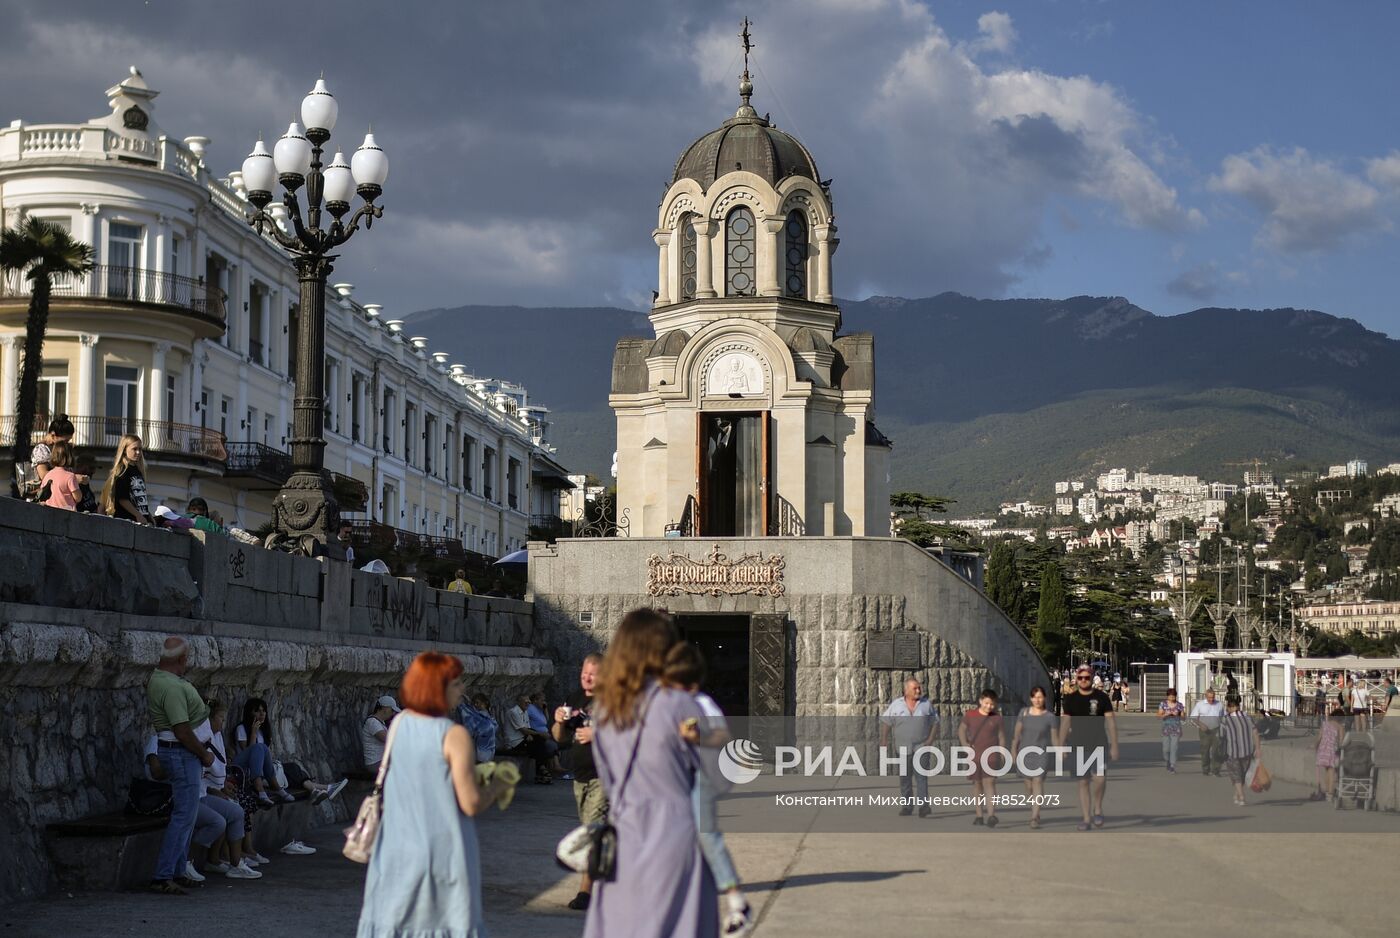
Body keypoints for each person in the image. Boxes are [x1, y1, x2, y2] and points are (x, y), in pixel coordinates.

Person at [355, 652, 510, 938]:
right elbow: (470, 802)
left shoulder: (399, 724)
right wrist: (498, 784)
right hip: (440, 847)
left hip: (397, 844)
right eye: (456, 684)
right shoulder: (453, 735)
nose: (462, 690)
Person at [585, 608, 715, 938]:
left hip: (623, 831)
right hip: (672, 829)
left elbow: (606, 773)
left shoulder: (604, 711)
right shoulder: (681, 705)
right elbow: (715, 774)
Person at [667, 641, 754, 938]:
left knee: (707, 833)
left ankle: (736, 899)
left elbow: (722, 735)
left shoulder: (702, 703)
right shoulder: (666, 702)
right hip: (676, 777)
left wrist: (696, 736)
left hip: (702, 775)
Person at [146, 636, 215, 895]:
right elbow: (182, 730)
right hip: (182, 754)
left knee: (186, 816)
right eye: (186, 657)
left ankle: (176, 870)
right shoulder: (171, 687)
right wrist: (205, 755)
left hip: (177, 753)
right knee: (183, 816)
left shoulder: (160, 679)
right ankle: (163, 875)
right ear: (181, 659)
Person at [553, 653, 604, 911]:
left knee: (591, 832)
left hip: (604, 777)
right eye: (584, 672)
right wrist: (559, 721)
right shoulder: (575, 698)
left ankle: (586, 891)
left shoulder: (613, 700)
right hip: (579, 778)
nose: (587, 677)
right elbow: (560, 738)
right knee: (594, 832)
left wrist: (599, 734)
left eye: (593, 673)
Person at [234, 697, 347, 805]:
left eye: (264, 711)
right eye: (257, 711)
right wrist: (253, 732)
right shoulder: (242, 729)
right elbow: (250, 753)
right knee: (292, 771)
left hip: (265, 771)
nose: (262, 714)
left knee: (293, 768)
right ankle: (324, 789)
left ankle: (319, 790)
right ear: (250, 713)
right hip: (251, 771)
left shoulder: (263, 731)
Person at [198, 700, 262, 879]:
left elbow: (214, 771)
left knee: (236, 811)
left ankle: (236, 864)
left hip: (206, 792)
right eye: (219, 718)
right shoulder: (198, 739)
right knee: (220, 821)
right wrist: (215, 790)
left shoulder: (214, 737)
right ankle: (189, 861)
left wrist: (222, 785)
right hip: (197, 796)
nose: (222, 722)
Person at [1058, 664, 1118, 831]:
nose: (1083, 680)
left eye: (1087, 677)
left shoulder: (1102, 697)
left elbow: (1111, 723)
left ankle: (1097, 808)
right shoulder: (1070, 699)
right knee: (1083, 782)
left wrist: (1114, 746)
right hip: (1078, 745)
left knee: (1100, 779)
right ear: (1076, 679)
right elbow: (1065, 723)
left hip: (1099, 744)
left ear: (1092, 678)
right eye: (1080, 677)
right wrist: (1061, 746)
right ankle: (1086, 818)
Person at [879, 677, 939, 818]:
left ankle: (924, 806)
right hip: (903, 747)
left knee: (921, 777)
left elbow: (935, 723)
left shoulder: (926, 705)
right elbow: (887, 722)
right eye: (915, 688)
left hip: (921, 746)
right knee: (905, 778)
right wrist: (884, 739)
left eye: (919, 688)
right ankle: (907, 806)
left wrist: (930, 739)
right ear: (906, 691)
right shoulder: (896, 705)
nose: (918, 690)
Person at [1011, 685, 1057, 829]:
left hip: (1041, 754)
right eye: (1035, 697)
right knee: (1029, 785)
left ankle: (1034, 816)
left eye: (1040, 697)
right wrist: (1013, 750)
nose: (1037, 700)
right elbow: (1017, 735)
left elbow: (1055, 738)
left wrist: (1060, 750)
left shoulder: (1050, 717)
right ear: (1031, 698)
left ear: (1044, 698)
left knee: (1037, 781)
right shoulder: (1024, 713)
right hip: (1025, 753)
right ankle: (1034, 807)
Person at [959, 688, 1007, 828]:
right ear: (981, 701)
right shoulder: (970, 715)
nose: (989, 706)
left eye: (992, 704)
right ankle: (979, 815)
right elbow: (961, 730)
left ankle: (991, 815)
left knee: (990, 783)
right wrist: (965, 745)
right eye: (986, 703)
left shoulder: (997, 718)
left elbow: (1001, 736)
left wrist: (1003, 752)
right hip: (974, 756)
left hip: (991, 755)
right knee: (977, 784)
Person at [99, 434, 152, 524]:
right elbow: (122, 499)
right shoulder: (122, 471)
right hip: (127, 521)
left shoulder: (138, 471)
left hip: (140, 520)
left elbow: (138, 499)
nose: (138, 452)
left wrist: (149, 516)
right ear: (124, 450)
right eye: (134, 449)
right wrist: (138, 515)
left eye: (140, 449)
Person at [502, 693, 553, 784]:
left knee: (540, 742)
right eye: (525, 702)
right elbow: (523, 730)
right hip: (514, 742)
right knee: (539, 742)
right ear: (519, 702)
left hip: (523, 739)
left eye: (528, 702)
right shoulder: (513, 712)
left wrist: (530, 735)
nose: (528, 704)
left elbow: (527, 728)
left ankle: (541, 770)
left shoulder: (525, 712)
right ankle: (541, 770)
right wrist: (540, 734)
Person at [1220, 695, 1261, 807]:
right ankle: (1238, 794)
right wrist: (1257, 748)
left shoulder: (1226, 719)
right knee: (1242, 774)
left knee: (1236, 774)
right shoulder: (1247, 717)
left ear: (1229, 707)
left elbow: (1221, 736)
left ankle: (1241, 796)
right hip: (1247, 751)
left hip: (1232, 751)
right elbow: (1255, 732)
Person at [528, 691, 567, 778]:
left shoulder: (540, 709)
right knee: (552, 745)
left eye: (544, 700)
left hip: (545, 735)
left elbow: (546, 720)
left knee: (553, 745)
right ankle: (556, 766)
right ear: (535, 700)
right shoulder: (530, 709)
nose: (544, 702)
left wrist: (545, 709)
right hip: (537, 735)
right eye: (542, 700)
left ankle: (555, 767)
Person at [28, 414, 74, 485]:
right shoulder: (41, 449)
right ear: (53, 435)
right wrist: (70, 478)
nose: (66, 444)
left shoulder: (56, 448)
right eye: (64, 441)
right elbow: (44, 475)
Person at [1191, 687, 1225, 777]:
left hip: (1216, 729)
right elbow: (1193, 718)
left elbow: (1223, 717)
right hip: (1204, 731)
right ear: (1206, 696)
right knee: (1205, 751)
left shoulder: (1219, 704)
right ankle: (1206, 769)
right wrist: (1200, 725)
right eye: (1209, 697)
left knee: (1216, 751)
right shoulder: (1200, 704)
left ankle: (1216, 770)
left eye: (1213, 697)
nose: (1211, 699)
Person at [39, 441, 83, 510]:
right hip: (67, 515)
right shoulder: (70, 476)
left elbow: (42, 495)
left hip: (50, 514)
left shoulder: (47, 475)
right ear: (70, 456)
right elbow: (78, 498)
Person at [456, 693, 498, 763]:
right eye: (474, 703)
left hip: (488, 751)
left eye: (478, 703)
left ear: (485, 703)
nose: (476, 705)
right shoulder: (480, 716)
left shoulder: (486, 716)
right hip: (482, 752)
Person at [1312, 707, 1344, 800]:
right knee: (1332, 772)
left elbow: (1319, 739)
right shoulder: (1340, 727)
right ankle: (1330, 793)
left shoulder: (1324, 724)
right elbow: (1341, 742)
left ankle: (1327, 792)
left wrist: (1316, 747)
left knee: (1326, 771)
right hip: (1332, 750)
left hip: (1322, 750)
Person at [363, 695, 401, 772]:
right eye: (392, 710)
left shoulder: (380, 722)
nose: (393, 713)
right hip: (375, 763)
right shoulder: (373, 722)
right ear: (385, 709)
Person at [1158, 688, 1185, 773]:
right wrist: (1166, 714)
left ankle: (1172, 765)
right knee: (1166, 749)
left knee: (1174, 747)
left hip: (1176, 728)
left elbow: (1184, 717)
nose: (1172, 698)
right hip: (1166, 727)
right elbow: (1159, 715)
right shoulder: (1163, 704)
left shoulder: (1180, 705)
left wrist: (1179, 714)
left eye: (1173, 696)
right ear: (1167, 696)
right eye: (1170, 696)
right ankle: (1167, 761)